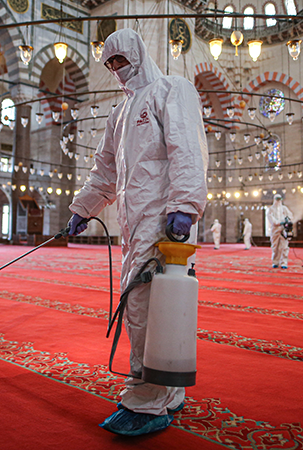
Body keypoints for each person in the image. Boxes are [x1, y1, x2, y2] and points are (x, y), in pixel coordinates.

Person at [66, 28, 208, 436]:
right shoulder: (120, 114)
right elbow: (104, 174)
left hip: (165, 223)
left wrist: (184, 206)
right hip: (132, 226)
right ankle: (168, 391)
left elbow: (187, 148)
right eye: (109, 64)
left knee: (150, 310)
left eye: (121, 61)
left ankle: (147, 403)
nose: (116, 70)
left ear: (138, 55)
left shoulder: (172, 89)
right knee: (143, 308)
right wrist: (83, 208)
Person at [267, 194, 293, 269]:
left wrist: (287, 220)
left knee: (284, 247)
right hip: (275, 230)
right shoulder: (271, 209)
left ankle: (284, 263)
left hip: (283, 230)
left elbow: (290, 216)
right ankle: (275, 262)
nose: (278, 201)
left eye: (279, 199)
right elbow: (271, 219)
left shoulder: (284, 209)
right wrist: (279, 222)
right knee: (275, 247)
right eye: (277, 199)